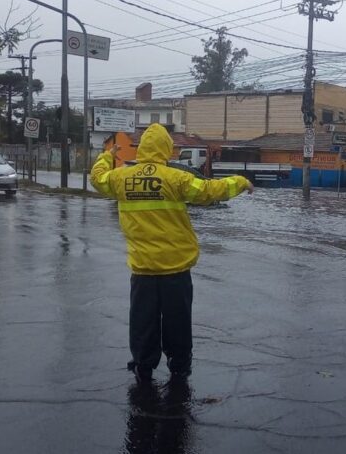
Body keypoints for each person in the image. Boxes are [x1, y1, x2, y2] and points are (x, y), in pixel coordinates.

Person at [90, 123, 253, 383]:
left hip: (143, 268)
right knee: (178, 321)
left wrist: (107, 156)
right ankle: (179, 367)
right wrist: (240, 181)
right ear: (166, 149)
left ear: (142, 149)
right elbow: (211, 191)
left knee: (142, 320)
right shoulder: (176, 178)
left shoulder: (122, 178)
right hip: (175, 268)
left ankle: (143, 365)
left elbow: (98, 179)